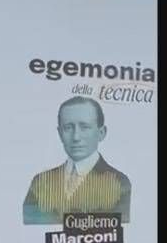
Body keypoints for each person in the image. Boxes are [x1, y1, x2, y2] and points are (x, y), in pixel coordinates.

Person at [23, 96, 131, 225]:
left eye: (84, 127)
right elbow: (29, 229)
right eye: (68, 128)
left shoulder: (119, 183)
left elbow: (119, 231)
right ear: (60, 134)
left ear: (101, 133)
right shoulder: (40, 182)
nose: (76, 137)